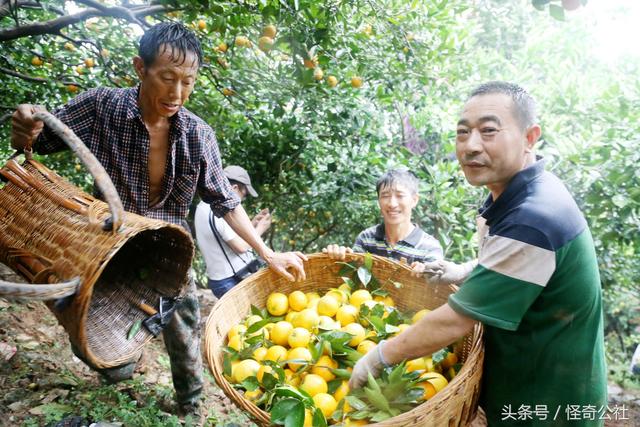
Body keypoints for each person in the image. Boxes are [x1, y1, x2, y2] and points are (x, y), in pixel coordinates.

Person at [10, 22, 307, 420]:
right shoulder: (103, 108)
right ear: (140, 68)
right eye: (167, 78)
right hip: (108, 249)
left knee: (184, 336)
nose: (177, 93)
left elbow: (225, 201)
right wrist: (24, 126)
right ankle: (120, 387)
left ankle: (191, 407)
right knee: (98, 336)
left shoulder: (198, 135)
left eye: (188, 81)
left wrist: (267, 252)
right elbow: (37, 141)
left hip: (171, 254)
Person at [349, 82, 607, 426]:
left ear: (530, 137)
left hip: (550, 401)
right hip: (524, 386)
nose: (470, 146)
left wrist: (378, 357)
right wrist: (466, 270)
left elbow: (455, 320)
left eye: (488, 131)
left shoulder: (534, 217)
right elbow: (518, 263)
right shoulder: (517, 195)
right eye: (462, 132)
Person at [323, 168, 445, 265]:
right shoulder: (367, 239)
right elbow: (353, 277)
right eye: (385, 196)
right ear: (378, 200)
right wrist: (339, 258)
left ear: (414, 200)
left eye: (400, 195)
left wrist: (425, 273)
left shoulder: (429, 247)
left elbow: (434, 288)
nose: (392, 204)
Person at [194, 165, 271, 298]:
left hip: (221, 279)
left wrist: (252, 224)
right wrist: (260, 229)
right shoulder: (219, 209)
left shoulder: (204, 205)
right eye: (243, 195)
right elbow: (240, 247)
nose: (241, 200)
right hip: (231, 279)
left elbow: (225, 234)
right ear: (234, 188)